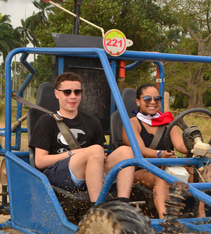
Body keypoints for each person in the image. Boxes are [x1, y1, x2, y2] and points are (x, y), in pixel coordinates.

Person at [29, 72, 134, 204]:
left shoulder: (93, 122)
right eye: (67, 92)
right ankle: (96, 209)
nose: (73, 96)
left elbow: (98, 155)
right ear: (57, 94)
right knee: (95, 150)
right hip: (58, 175)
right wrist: (75, 153)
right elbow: (39, 161)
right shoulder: (46, 121)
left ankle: (123, 205)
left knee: (126, 151)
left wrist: (97, 155)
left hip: (91, 173)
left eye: (77, 92)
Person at [122, 84, 205, 218]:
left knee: (197, 174)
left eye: (157, 99)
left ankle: (201, 216)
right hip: (139, 170)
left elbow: (180, 146)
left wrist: (196, 145)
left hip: (167, 166)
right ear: (138, 101)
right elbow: (140, 150)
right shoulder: (132, 123)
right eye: (147, 99)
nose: (153, 102)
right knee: (162, 177)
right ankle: (166, 220)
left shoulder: (168, 122)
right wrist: (160, 154)